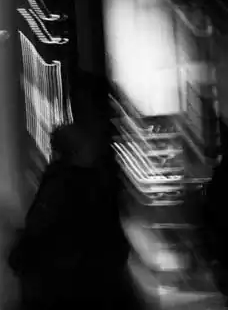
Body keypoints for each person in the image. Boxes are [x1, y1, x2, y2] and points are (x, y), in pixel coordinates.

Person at [9, 122, 139, 310]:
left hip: (65, 282)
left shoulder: (57, 184)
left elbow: (38, 227)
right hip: (89, 282)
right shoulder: (95, 185)